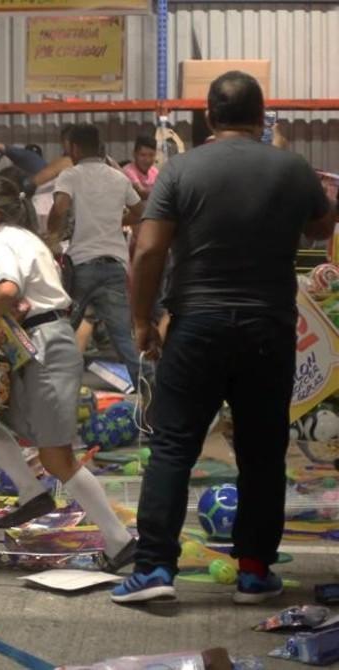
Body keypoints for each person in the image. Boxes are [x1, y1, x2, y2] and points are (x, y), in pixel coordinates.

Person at [113, 72, 336, 605]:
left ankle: (154, 571)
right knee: (262, 454)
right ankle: (255, 572)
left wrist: (142, 322)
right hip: (269, 329)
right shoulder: (292, 168)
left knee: (172, 446)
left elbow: (148, 252)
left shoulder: (180, 169)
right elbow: (322, 227)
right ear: (262, 117)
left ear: (209, 117)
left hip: (197, 325)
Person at [0, 174, 136, 573]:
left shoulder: (4, 240)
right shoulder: (17, 239)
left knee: (57, 456)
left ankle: (120, 540)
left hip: (45, 347)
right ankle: (31, 491)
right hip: (30, 345)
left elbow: (5, 290)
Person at [48, 123, 145, 386]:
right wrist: (117, 218)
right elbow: (139, 212)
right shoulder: (118, 177)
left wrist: (52, 235)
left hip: (82, 266)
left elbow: (59, 208)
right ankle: (149, 391)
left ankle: (54, 383)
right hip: (114, 266)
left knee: (63, 329)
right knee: (124, 338)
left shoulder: (71, 175)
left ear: (75, 148)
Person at [122, 135, 159, 200]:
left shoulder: (155, 171)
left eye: (151, 155)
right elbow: (141, 193)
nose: (147, 160)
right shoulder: (128, 170)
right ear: (134, 154)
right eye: (143, 155)